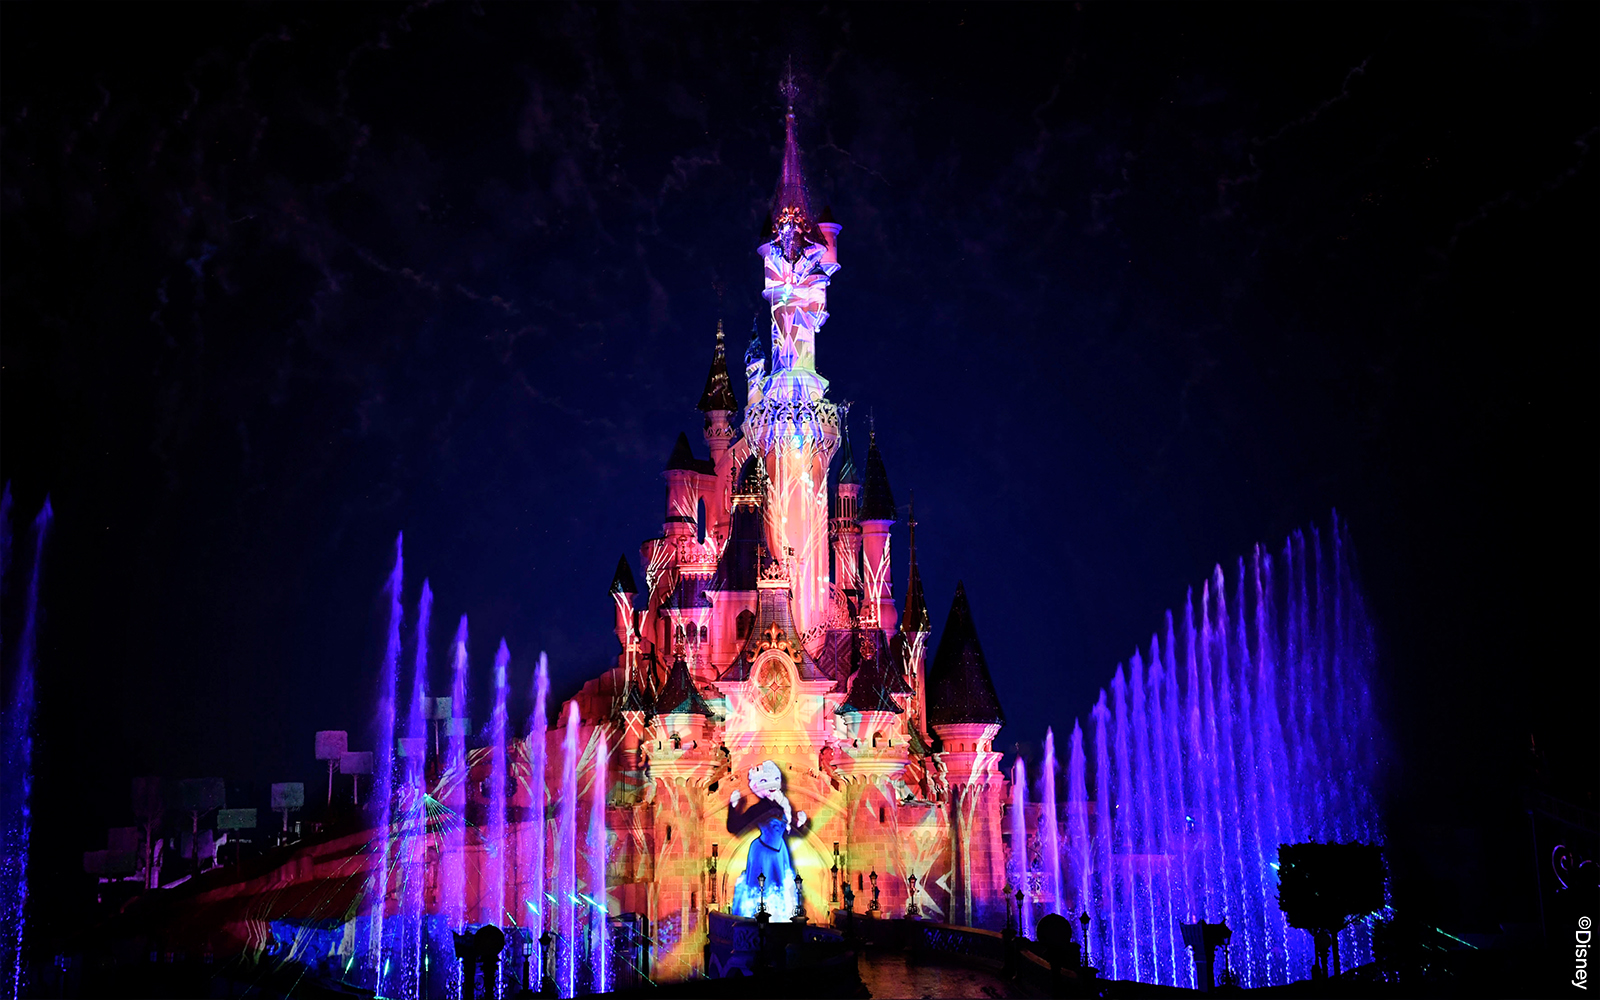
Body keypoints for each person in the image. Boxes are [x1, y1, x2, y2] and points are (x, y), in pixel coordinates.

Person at [727, 760, 808, 917]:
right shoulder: (759, 809)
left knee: (782, 890)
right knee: (760, 890)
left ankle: (782, 920)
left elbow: (792, 830)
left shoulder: (783, 806)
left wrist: (801, 823)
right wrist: (733, 806)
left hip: (779, 852)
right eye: (765, 781)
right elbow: (735, 827)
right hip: (761, 852)